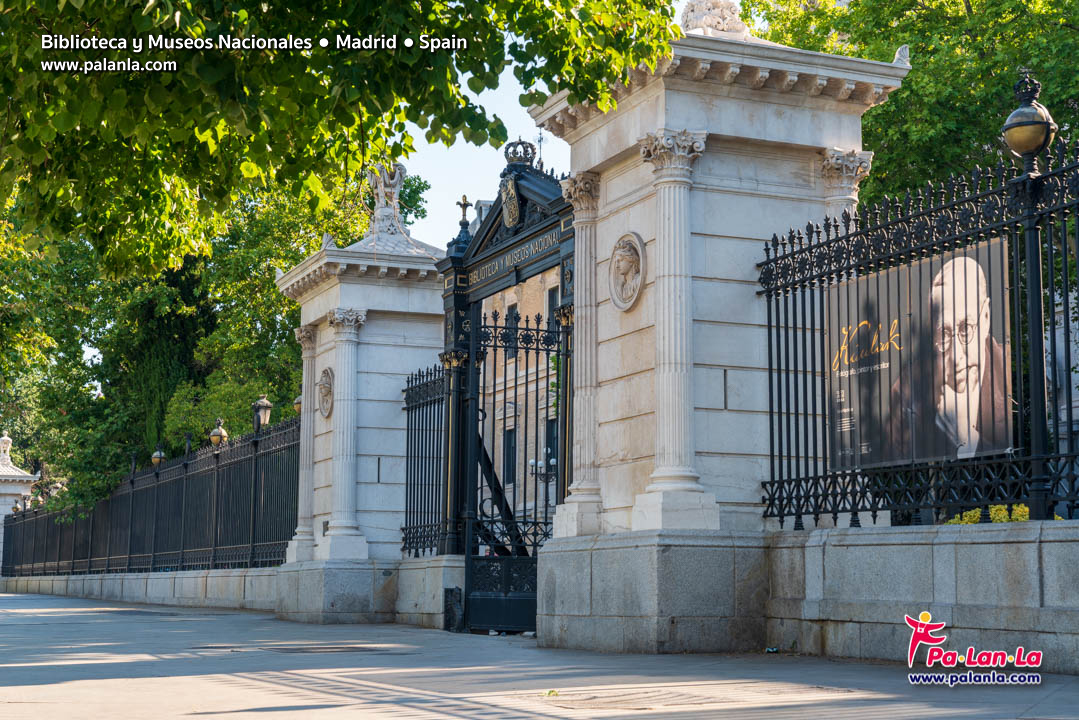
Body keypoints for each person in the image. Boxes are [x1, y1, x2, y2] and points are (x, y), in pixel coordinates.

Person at [887, 255, 1009, 461]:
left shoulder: (1007, 368)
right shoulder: (906, 390)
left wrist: (966, 438)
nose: (956, 357)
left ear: (986, 317)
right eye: (943, 334)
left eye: (965, 329)